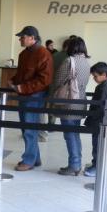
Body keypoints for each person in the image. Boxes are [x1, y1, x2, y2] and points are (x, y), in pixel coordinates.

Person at [9, 25, 53, 171]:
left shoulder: (43, 54)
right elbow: (21, 75)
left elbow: (44, 80)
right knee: (26, 128)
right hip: (24, 95)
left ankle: (29, 160)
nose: (20, 40)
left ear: (32, 38)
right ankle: (35, 158)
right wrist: (13, 81)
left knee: (29, 128)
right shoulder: (24, 54)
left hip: (34, 95)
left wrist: (23, 88)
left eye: (22, 37)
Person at [53, 36, 91, 175]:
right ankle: (77, 163)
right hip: (80, 101)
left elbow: (58, 80)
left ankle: (74, 165)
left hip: (69, 102)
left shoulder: (69, 61)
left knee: (69, 135)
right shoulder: (86, 62)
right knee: (75, 133)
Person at [83, 62, 107, 177]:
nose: (94, 78)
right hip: (100, 120)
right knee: (97, 144)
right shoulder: (103, 85)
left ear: (104, 75)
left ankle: (97, 167)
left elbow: (100, 107)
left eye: (95, 76)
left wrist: (92, 118)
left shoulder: (103, 88)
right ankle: (96, 164)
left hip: (99, 122)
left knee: (98, 145)